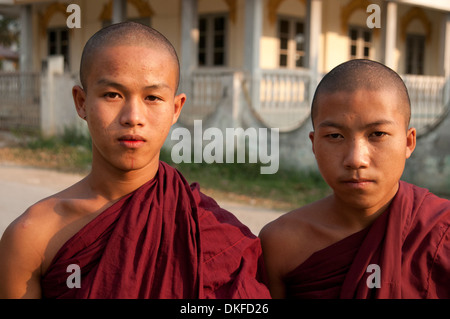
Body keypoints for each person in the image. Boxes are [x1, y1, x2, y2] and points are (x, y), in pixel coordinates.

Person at [0, 22, 270, 299]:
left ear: (176, 109)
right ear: (81, 102)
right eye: (112, 95)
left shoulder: (214, 233)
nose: (133, 117)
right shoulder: (32, 237)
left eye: (152, 97)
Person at [259, 59, 450, 299]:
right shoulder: (280, 243)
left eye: (377, 134)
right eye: (335, 136)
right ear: (314, 144)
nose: (356, 159)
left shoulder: (442, 231)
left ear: (408, 142)